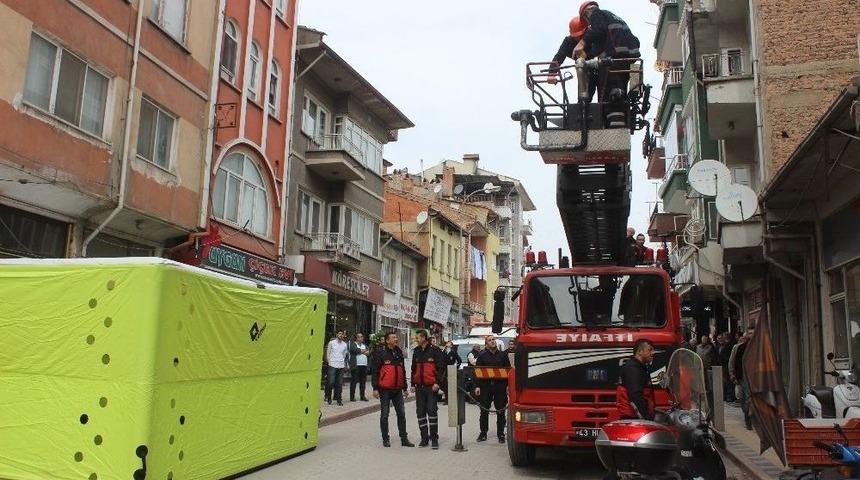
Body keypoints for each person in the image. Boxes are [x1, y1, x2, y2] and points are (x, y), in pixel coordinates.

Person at [575, 1, 641, 127]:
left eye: (587, 21)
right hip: (625, 63)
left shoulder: (596, 13)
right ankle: (618, 124)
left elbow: (598, 28)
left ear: (586, 13)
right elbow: (634, 41)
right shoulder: (613, 17)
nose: (589, 24)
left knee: (608, 97)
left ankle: (613, 126)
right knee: (618, 94)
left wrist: (582, 43)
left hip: (612, 62)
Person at [371, 332, 415, 447]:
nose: (396, 339)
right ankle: (385, 438)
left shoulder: (399, 352)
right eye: (393, 337)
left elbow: (403, 371)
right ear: (387, 340)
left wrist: (405, 387)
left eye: (396, 337)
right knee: (385, 414)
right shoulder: (381, 353)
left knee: (401, 414)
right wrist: (375, 388)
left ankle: (404, 439)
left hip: (397, 390)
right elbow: (375, 371)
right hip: (384, 389)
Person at [548, 16, 599, 101]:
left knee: (604, 96)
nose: (578, 38)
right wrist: (551, 73)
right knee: (584, 98)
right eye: (575, 36)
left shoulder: (594, 38)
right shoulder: (569, 42)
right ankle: (582, 108)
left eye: (581, 35)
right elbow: (559, 56)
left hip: (600, 68)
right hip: (583, 72)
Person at [411, 330, 446, 449]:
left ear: (424, 337)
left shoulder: (435, 350)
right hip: (419, 387)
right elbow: (413, 369)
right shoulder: (416, 351)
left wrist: (438, 383)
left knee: (431, 411)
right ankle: (424, 438)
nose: (416, 339)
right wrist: (412, 384)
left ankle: (434, 439)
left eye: (418, 337)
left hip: (431, 387)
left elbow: (441, 369)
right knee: (420, 413)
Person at [474, 336, 511, 443]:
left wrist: (508, 385)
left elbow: (508, 371)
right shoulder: (482, 356)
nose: (492, 341)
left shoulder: (503, 355)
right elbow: (477, 372)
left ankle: (501, 434)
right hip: (485, 386)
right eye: (490, 340)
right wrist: (477, 386)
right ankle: (483, 433)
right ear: (486, 344)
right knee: (484, 411)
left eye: (493, 339)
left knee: (501, 411)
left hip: (500, 386)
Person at [617, 339, 656, 420]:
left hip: (635, 417)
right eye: (650, 350)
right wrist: (645, 418)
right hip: (633, 419)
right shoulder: (633, 369)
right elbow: (635, 396)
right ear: (640, 351)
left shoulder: (639, 367)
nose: (653, 353)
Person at [729, 325, 754, 430]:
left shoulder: (760, 347)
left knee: (751, 398)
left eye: (753, 333)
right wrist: (732, 374)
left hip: (756, 377)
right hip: (743, 377)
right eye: (749, 333)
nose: (751, 335)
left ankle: (753, 417)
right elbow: (733, 362)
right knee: (747, 398)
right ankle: (748, 418)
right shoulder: (740, 348)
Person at [325, 329, 349, 406]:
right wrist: (329, 362)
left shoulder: (345, 344)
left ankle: (339, 400)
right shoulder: (331, 343)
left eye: (342, 334)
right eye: (339, 334)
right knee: (331, 382)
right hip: (332, 365)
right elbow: (328, 353)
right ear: (336, 334)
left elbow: (344, 355)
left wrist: (343, 363)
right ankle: (328, 397)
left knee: (339, 384)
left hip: (341, 366)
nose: (341, 335)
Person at [349, 332, 370, 402]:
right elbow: (354, 350)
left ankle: (362, 396)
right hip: (356, 366)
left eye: (361, 337)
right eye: (359, 337)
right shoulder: (353, 344)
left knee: (363, 382)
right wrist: (363, 351)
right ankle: (352, 397)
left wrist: (361, 351)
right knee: (354, 381)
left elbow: (369, 352)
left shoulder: (365, 345)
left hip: (364, 366)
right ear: (356, 338)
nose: (360, 338)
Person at [442, 341, 462, 405]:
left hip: (451, 371)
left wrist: (456, 367)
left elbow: (459, 360)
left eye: (449, 343)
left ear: (451, 346)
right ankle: (446, 400)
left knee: (452, 386)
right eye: (447, 343)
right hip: (444, 371)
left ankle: (452, 400)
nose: (447, 344)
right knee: (445, 386)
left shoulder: (453, 352)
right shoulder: (443, 352)